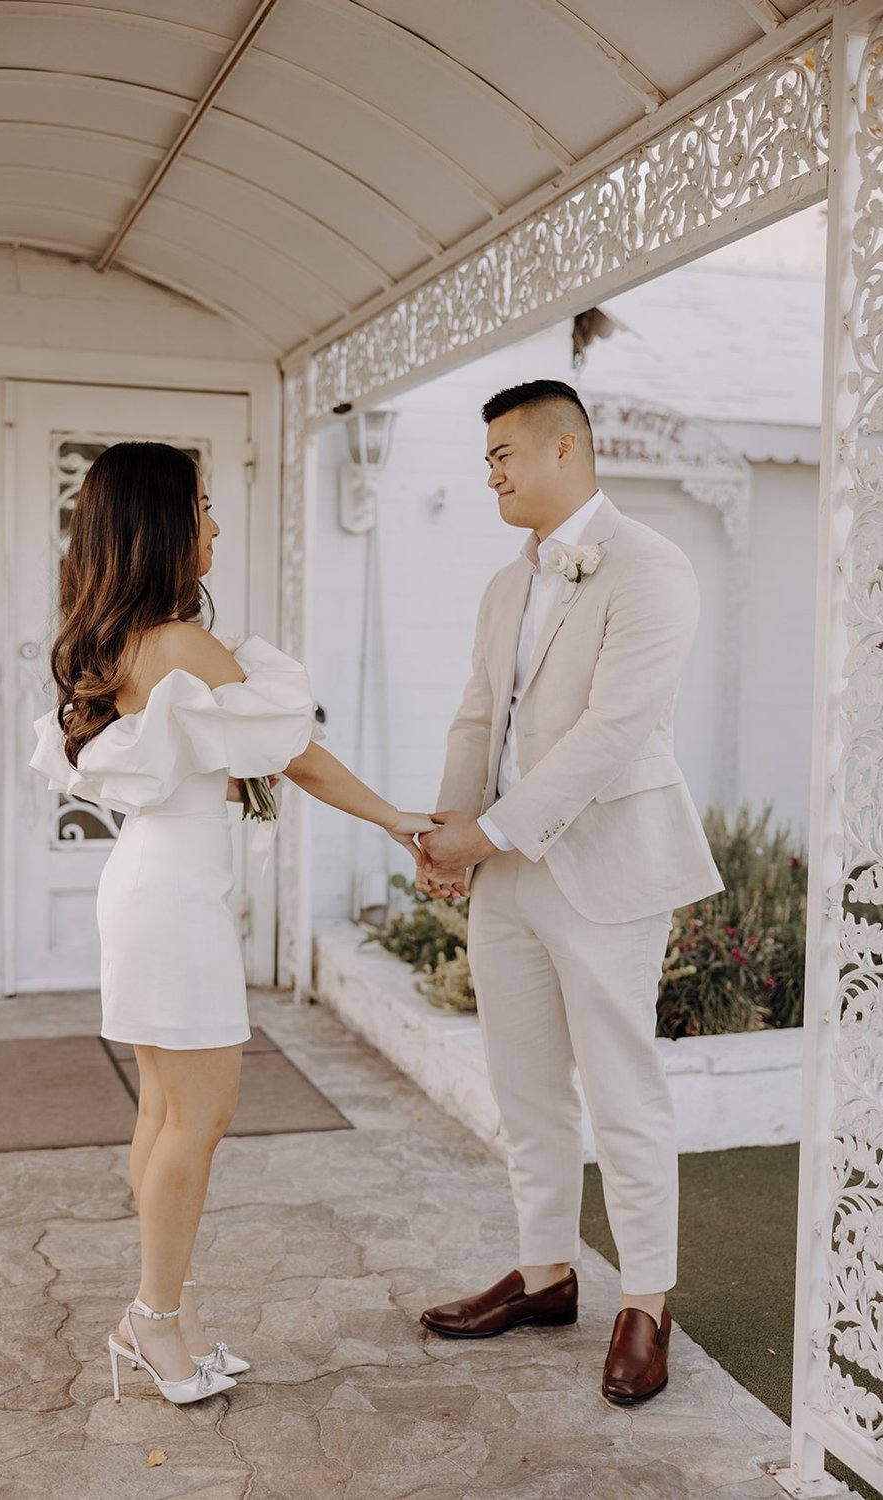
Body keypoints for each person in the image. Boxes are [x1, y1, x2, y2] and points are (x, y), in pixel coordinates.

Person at [30, 441, 433, 1408]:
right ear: (161, 523)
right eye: (203, 506)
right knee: (198, 1121)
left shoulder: (121, 638)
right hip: (174, 897)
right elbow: (295, 754)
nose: (215, 523)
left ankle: (165, 1312)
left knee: (164, 1114)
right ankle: (155, 1320)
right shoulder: (176, 642)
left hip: (150, 886)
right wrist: (397, 818)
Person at [416, 380, 722, 1404]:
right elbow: (477, 721)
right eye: (487, 457)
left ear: (564, 449)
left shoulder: (652, 567)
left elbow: (615, 730)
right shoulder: (506, 585)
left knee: (620, 1088)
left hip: (605, 868)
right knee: (524, 1084)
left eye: (503, 452)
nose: (491, 471)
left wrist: (490, 827)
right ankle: (545, 1275)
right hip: (506, 874)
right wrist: (450, 835)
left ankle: (645, 1300)